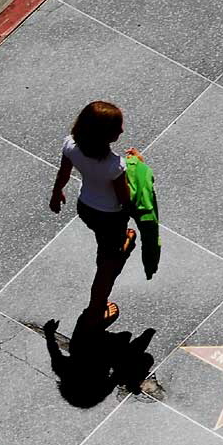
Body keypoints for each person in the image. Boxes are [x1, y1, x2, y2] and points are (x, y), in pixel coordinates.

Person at [49, 101, 144, 329]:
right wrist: (138, 167)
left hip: (86, 208)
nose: (122, 130)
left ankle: (120, 242)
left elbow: (64, 173)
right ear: (105, 135)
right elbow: (125, 199)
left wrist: (56, 193)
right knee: (106, 266)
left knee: (108, 238)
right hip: (111, 216)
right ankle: (96, 309)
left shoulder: (71, 145)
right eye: (117, 127)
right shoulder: (115, 166)